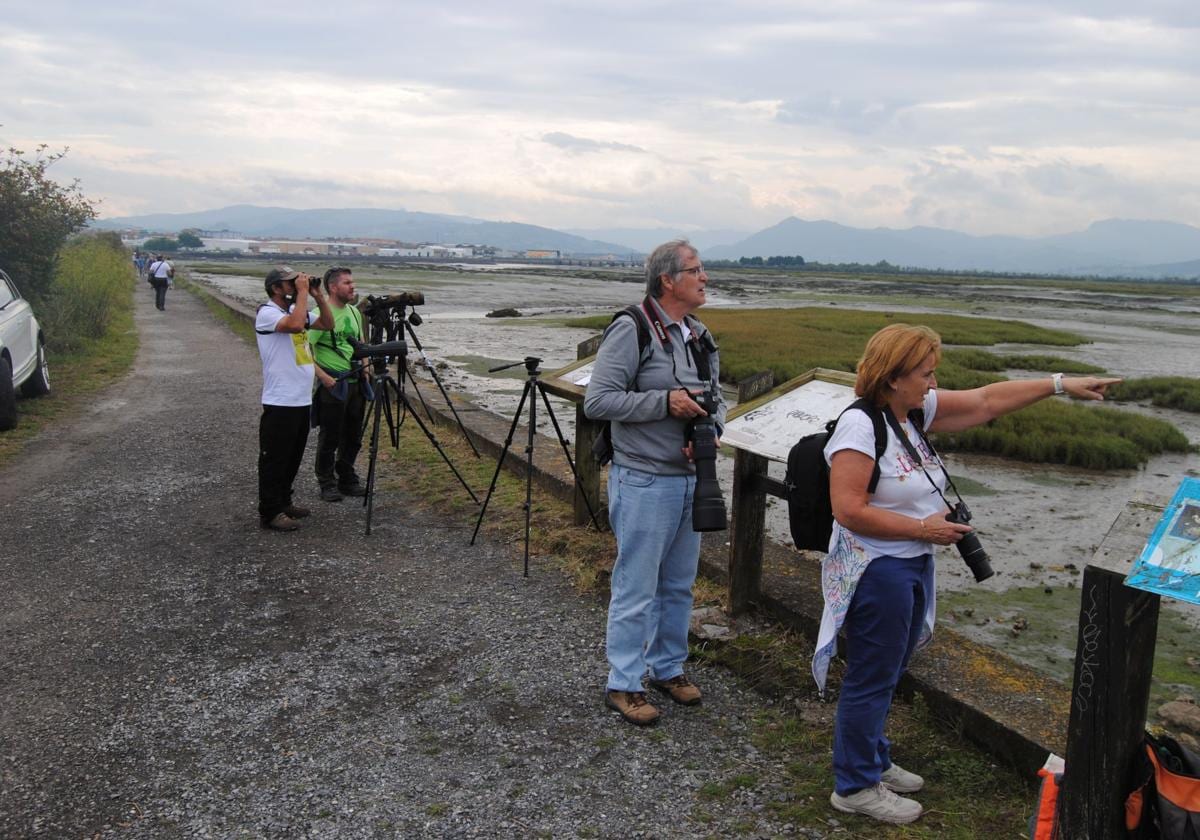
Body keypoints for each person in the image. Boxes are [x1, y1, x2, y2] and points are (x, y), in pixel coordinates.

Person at [815, 323, 1120, 825]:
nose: (933, 383)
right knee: (871, 676)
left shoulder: (908, 414)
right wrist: (921, 529)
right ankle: (853, 786)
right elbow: (847, 509)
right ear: (893, 377)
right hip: (877, 569)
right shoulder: (860, 426)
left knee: (890, 670)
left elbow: (985, 401)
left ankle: (872, 759)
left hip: (909, 563)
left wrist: (1061, 384)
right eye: (926, 374)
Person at [583, 239, 726, 726]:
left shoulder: (699, 335)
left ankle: (667, 668)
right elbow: (598, 402)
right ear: (668, 280)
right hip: (643, 480)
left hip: (690, 476)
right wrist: (664, 404)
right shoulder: (632, 329)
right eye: (697, 270)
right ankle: (623, 683)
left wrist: (710, 432)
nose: (705, 277)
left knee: (679, 586)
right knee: (636, 587)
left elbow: (717, 398)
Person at [255, 266, 334, 532]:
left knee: (292, 457)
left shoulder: (293, 310)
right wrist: (302, 294)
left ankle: (284, 501)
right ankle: (270, 511)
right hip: (280, 400)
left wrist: (317, 295)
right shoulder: (267, 313)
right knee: (274, 458)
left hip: (301, 399)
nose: (294, 285)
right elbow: (297, 325)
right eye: (289, 283)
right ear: (276, 288)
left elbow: (327, 324)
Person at [308, 267, 369, 501]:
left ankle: (346, 477)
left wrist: (366, 366)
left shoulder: (354, 312)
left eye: (352, 282)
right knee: (330, 436)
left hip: (355, 379)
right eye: (346, 283)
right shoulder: (319, 314)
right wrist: (323, 376)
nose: (352, 286)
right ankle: (326, 482)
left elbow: (361, 342)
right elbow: (303, 349)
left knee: (354, 435)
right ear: (332, 287)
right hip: (333, 382)